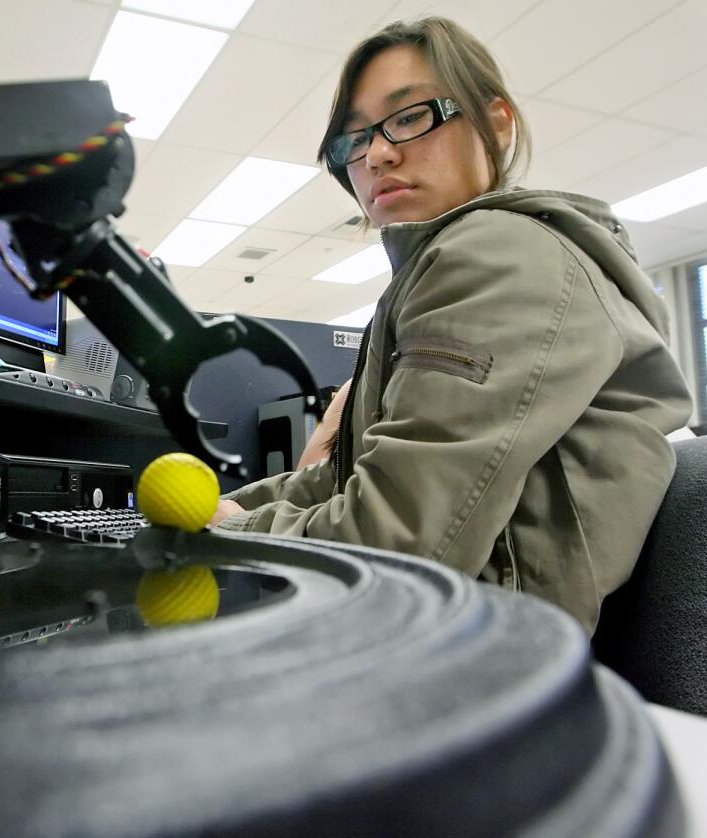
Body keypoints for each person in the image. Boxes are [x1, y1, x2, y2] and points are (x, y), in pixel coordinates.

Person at [210, 17, 692, 634]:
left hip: (487, 655)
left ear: (496, 123)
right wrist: (229, 509)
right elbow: (343, 484)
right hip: (462, 635)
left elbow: (397, 544)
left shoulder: (495, 254)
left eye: (409, 117)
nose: (376, 154)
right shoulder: (433, 269)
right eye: (352, 141)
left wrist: (232, 529)